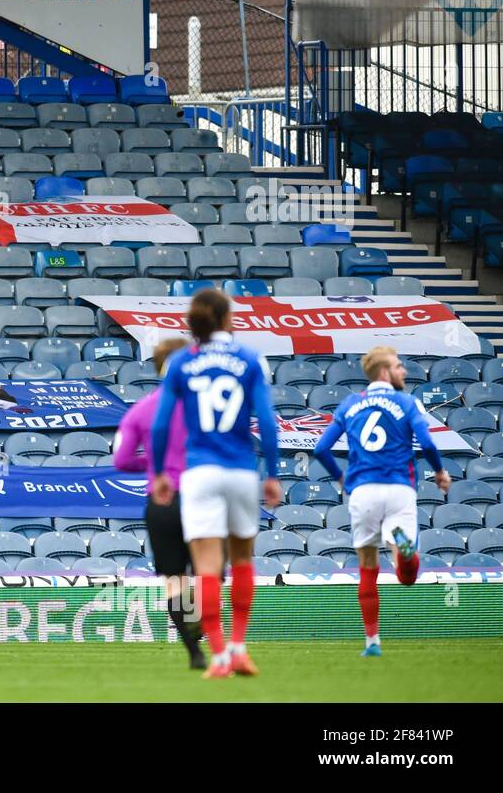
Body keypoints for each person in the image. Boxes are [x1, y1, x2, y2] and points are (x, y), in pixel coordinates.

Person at [151, 289, 281, 679]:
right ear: (227, 319)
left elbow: (160, 425)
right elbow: (268, 422)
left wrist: (159, 472)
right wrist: (272, 473)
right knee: (241, 560)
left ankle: (220, 656)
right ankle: (240, 648)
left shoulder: (180, 363)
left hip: (199, 473)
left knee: (206, 569)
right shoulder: (249, 359)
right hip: (241, 469)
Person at [312, 347, 451, 657]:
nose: (404, 371)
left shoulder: (350, 404)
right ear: (385, 372)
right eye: (399, 367)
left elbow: (321, 448)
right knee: (407, 577)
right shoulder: (406, 401)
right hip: (399, 487)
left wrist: (341, 479)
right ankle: (403, 549)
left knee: (367, 569)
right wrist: (440, 471)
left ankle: (372, 642)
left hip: (362, 491)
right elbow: (426, 442)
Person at [112, 337, 205, 669]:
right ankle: (217, 637)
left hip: (162, 500)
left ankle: (194, 652)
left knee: (175, 580)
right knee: (207, 574)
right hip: (202, 497)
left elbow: (121, 460)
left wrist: (153, 464)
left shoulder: (143, 408)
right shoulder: (208, 405)